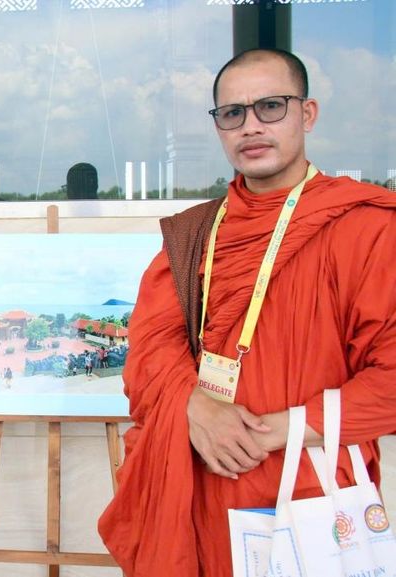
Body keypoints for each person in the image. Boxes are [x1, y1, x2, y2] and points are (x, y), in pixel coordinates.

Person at [98, 48, 396, 576]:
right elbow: (150, 348)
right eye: (233, 113)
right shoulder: (195, 233)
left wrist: (281, 428)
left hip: (310, 486)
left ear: (307, 113)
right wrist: (195, 407)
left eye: (271, 107)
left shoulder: (367, 226)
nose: (251, 126)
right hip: (201, 486)